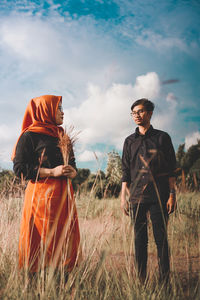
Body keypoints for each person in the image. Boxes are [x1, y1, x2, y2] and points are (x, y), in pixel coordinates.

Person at [12, 95, 80, 277]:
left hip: (64, 196)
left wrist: (72, 172)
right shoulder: (29, 136)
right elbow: (19, 169)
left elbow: (73, 165)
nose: (63, 112)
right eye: (59, 108)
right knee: (39, 240)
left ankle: (62, 282)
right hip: (40, 197)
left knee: (64, 239)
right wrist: (52, 172)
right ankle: (35, 284)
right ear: (46, 110)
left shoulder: (62, 135)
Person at [121, 98, 176, 284]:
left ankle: (165, 282)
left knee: (161, 240)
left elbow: (171, 169)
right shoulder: (129, 141)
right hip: (136, 198)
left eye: (140, 111)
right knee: (139, 241)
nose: (136, 115)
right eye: (133, 113)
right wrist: (123, 196)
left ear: (150, 113)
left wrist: (172, 194)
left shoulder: (162, 138)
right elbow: (125, 171)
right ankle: (141, 281)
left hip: (159, 196)